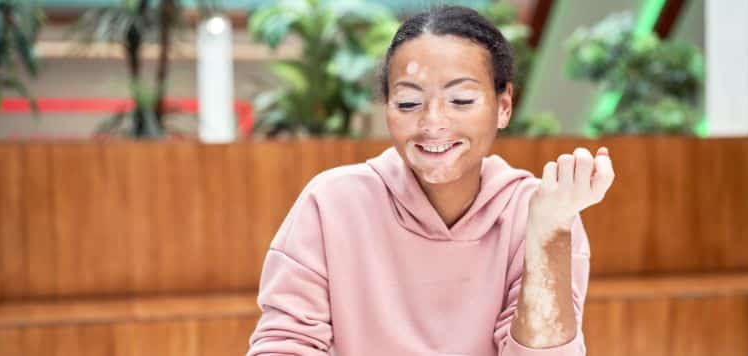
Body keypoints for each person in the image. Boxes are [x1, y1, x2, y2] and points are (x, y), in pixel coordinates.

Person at [246, 5, 615, 356]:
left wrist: (547, 232)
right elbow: (285, 343)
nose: (433, 122)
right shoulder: (332, 203)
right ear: (387, 107)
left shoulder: (536, 210)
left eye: (461, 100)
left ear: (503, 106)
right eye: (408, 103)